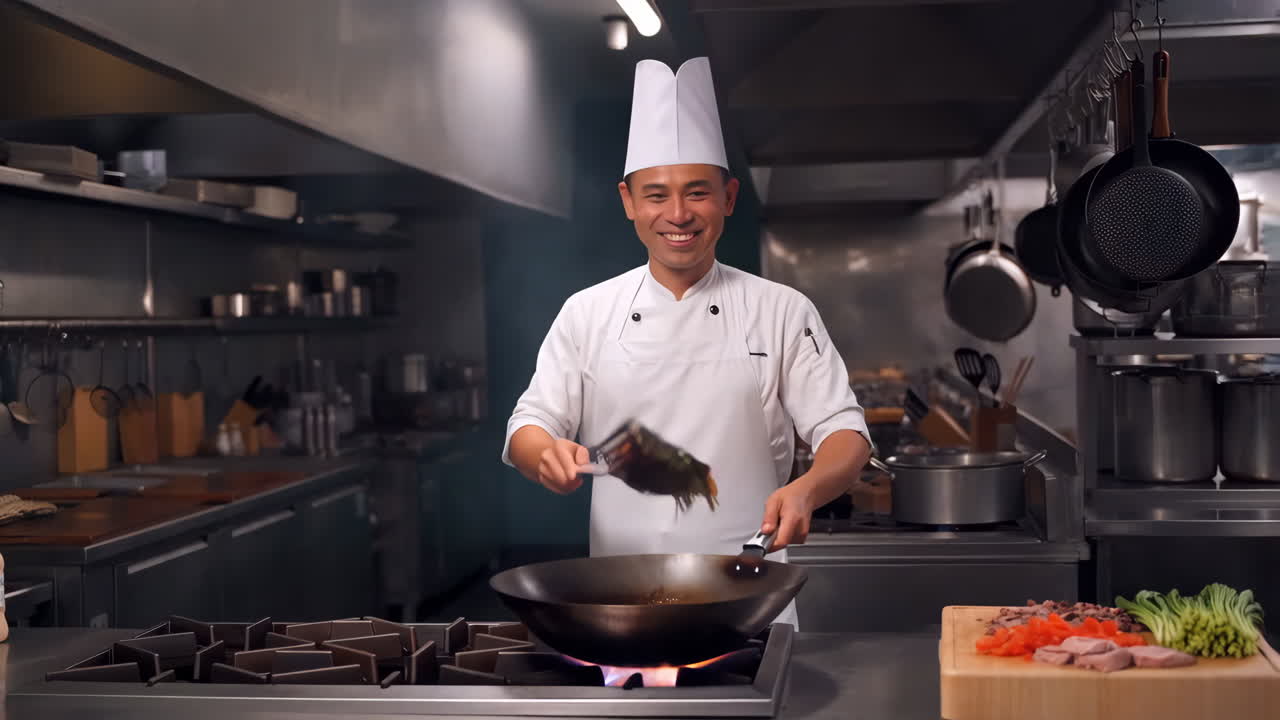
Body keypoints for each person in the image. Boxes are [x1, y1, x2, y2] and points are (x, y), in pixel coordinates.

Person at [502, 57, 871, 630]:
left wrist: (806, 490)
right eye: (656, 195)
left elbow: (845, 433)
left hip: (752, 599)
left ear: (727, 197)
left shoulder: (781, 309)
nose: (677, 215)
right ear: (628, 201)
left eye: (696, 193)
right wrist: (543, 453)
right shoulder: (588, 312)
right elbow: (531, 423)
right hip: (618, 605)